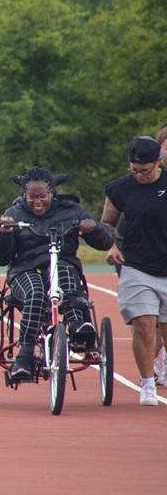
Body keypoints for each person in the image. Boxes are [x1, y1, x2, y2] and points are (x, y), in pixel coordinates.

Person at [0, 166, 113, 381]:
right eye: (32, 196)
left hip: (62, 264)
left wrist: (93, 228)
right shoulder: (14, 214)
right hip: (25, 270)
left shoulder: (70, 210)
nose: (38, 201)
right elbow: (1, 258)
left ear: (52, 193)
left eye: (43, 196)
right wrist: (3, 235)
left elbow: (105, 242)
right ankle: (25, 357)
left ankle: (79, 326)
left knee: (66, 275)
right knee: (36, 293)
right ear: (24, 195)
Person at [103, 135, 167, 405]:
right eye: (134, 170)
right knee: (143, 325)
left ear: (158, 162)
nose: (139, 175)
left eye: (145, 171)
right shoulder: (119, 189)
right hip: (136, 266)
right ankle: (147, 384)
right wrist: (110, 245)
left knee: (164, 328)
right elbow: (106, 222)